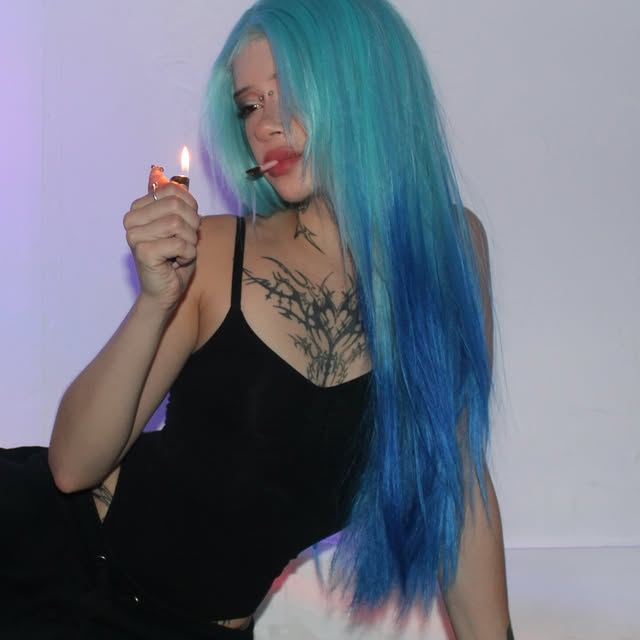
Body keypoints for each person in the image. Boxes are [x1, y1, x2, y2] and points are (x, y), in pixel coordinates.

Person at [0, 0, 513, 638]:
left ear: (362, 83)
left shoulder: (452, 253)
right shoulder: (217, 251)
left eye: (287, 92)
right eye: (249, 105)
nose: (265, 124)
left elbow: (457, 481)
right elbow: (72, 467)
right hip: (51, 568)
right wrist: (156, 301)